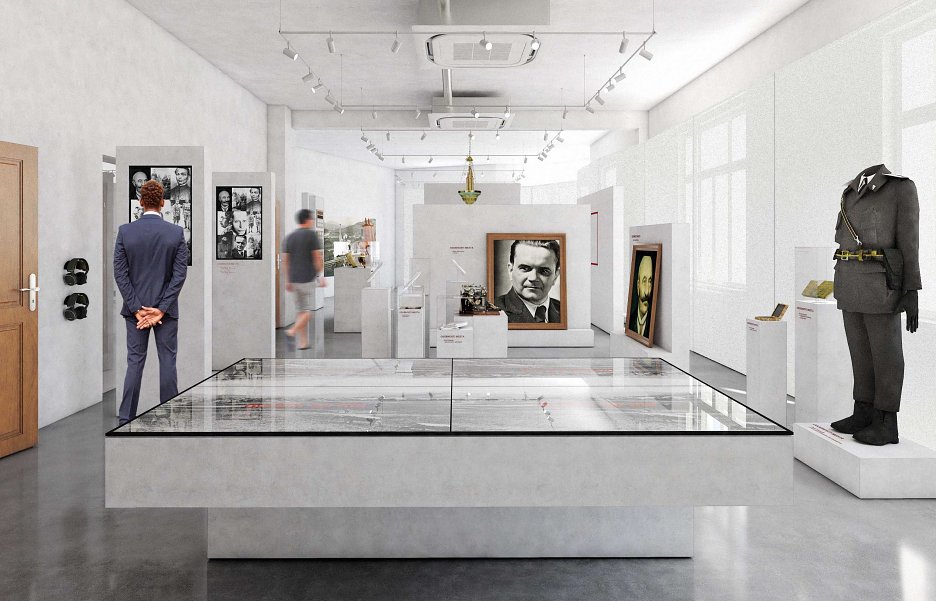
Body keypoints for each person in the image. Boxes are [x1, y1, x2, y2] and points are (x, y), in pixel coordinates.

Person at [830, 164, 920, 446]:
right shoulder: (850, 191)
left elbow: (910, 241)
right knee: (859, 353)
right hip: (849, 282)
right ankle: (864, 410)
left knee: (886, 355)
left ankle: (886, 421)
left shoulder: (899, 188)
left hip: (881, 284)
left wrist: (911, 288)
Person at [113, 179, 188, 426]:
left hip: (135, 312)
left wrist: (137, 308)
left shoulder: (125, 232)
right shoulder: (176, 233)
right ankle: (170, 417)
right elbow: (179, 275)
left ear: (141, 202)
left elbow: (120, 274)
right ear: (163, 203)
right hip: (165, 312)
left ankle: (126, 419)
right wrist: (161, 309)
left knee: (134, 363)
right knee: (168, 362)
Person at [281, 208, 325, 349]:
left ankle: (303, 342)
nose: (313, 221)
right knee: (308, 313)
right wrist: (320, 276)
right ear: (307, 220)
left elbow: (285, 261)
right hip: (306, 279)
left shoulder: (289, 237)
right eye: (312, 219)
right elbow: (317, 258)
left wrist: (287, 280)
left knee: (301, 311)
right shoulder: (311, 235)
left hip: (294, 280)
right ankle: (292, 331)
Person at [494, 239, 561, 324]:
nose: (533, 278)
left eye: (544, 271)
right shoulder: (493, 311)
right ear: (511, 271)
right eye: (525, 268)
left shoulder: (566, 311)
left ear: (556, 276)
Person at [628, 255, 655, 337]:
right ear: (638, 285)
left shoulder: (653, 324)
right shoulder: (630, 321)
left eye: (650, 281)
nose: (647, 292)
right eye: (644, 281)